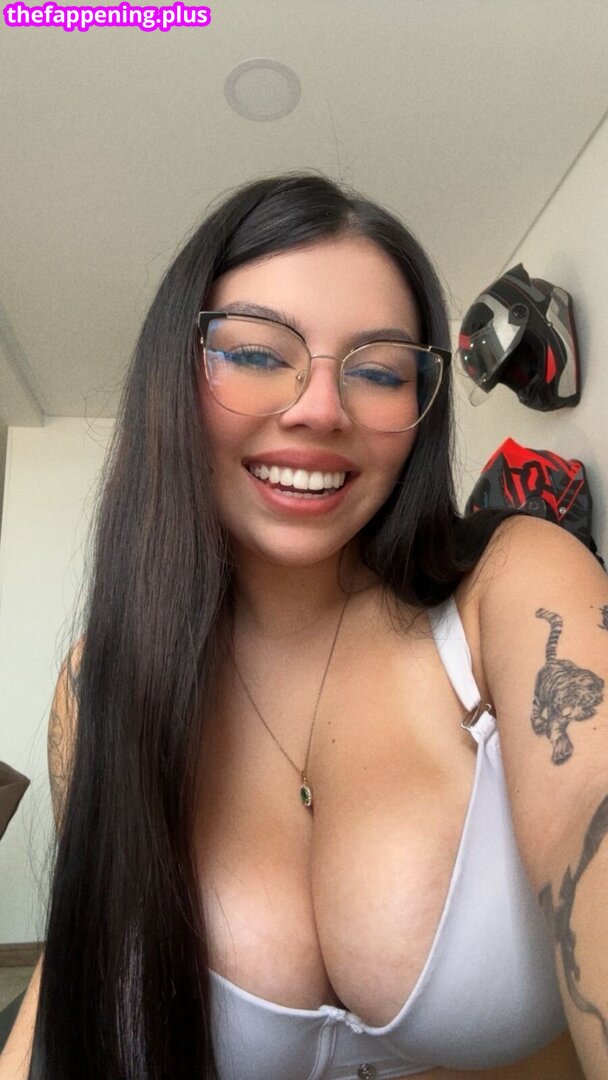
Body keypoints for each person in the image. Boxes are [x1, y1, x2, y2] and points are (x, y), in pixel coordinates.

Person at [1, 173, 606, 1080]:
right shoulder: (101, 683)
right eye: (254, 353)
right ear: (175, 375)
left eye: (379, 371)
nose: (321, 408)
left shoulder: (516, 586)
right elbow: (88, 942)